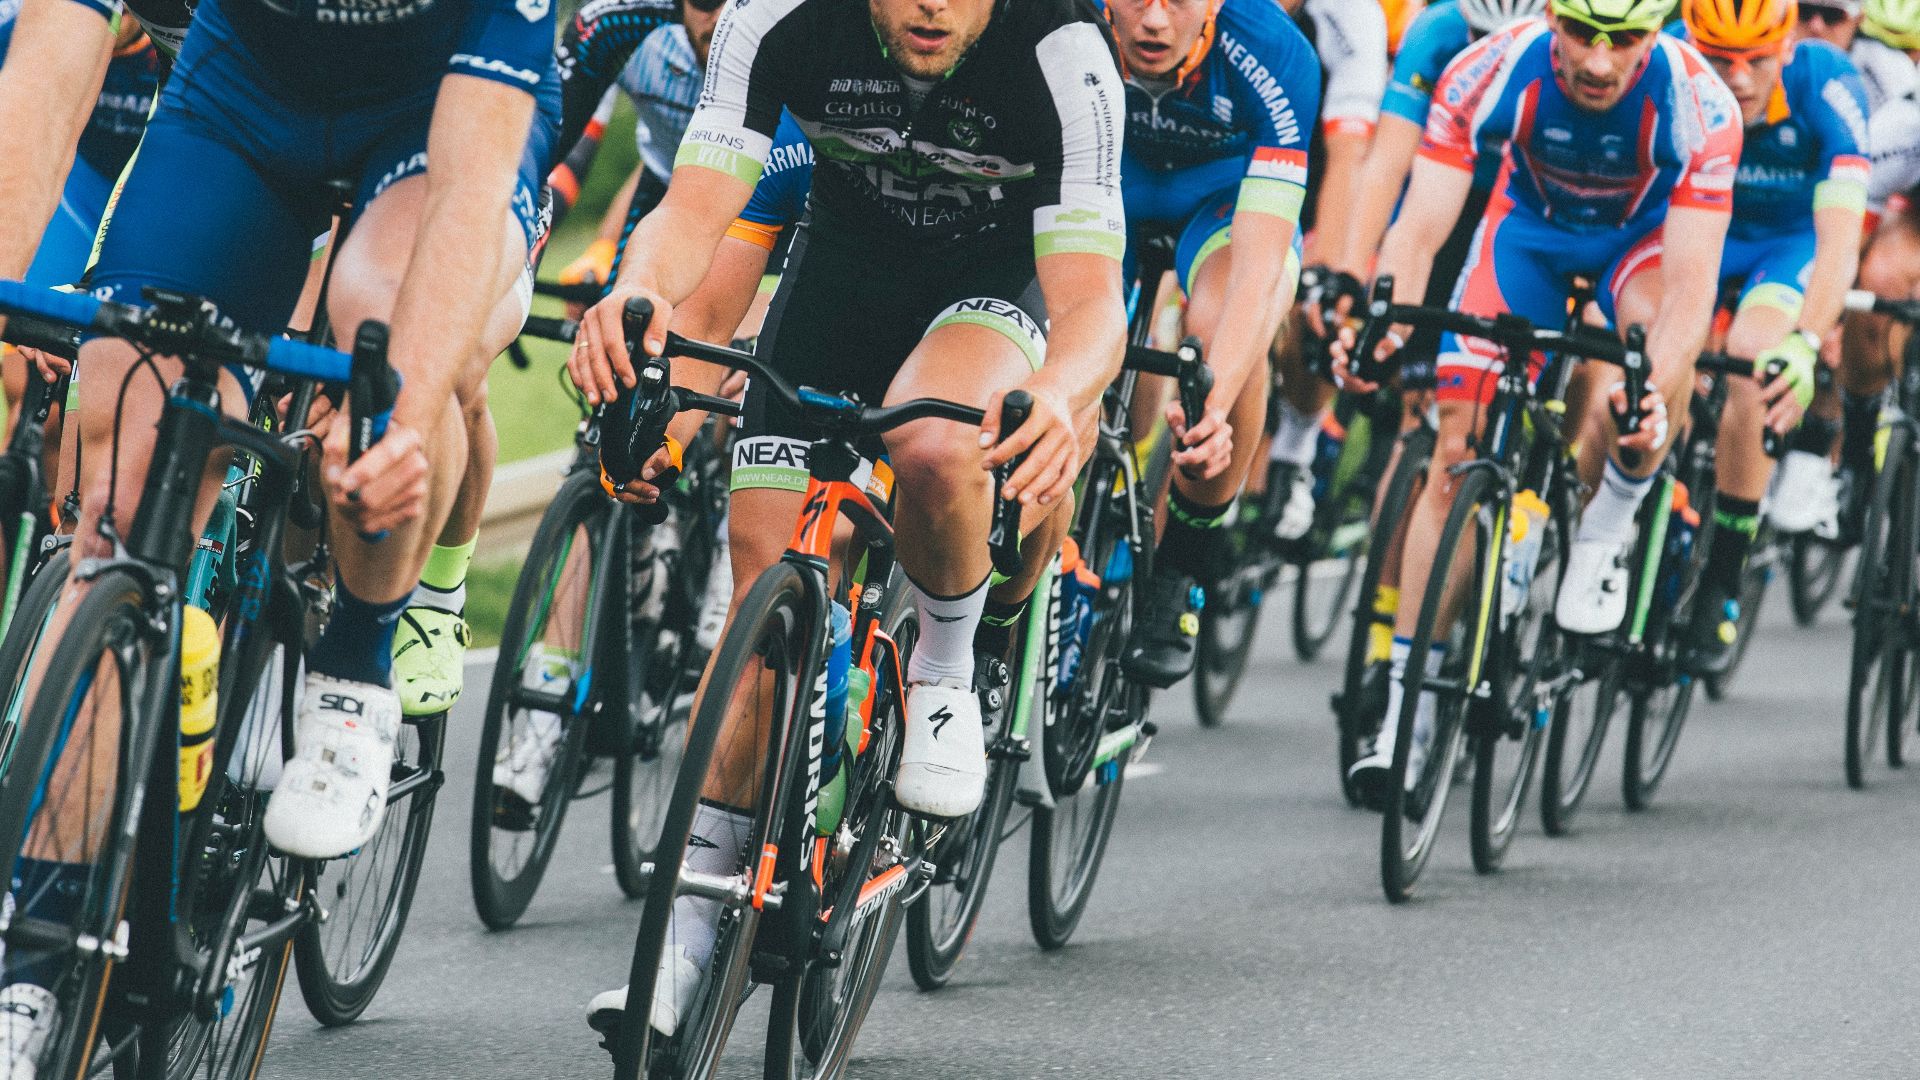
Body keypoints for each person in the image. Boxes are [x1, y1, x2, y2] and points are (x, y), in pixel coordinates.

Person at [565, 0, 1127, 1038]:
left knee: (935, 445)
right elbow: (695, 215)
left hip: (994, 291)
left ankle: (947, 667)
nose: (930, 7)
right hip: (842, 279)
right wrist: (638, 294)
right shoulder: (776, 18)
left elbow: (1094, 300)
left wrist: (1061, 394)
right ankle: (685, 948)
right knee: (760, 612)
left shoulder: (1063, 55)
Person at [1337, 0, 1741, 807]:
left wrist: (1654, 393)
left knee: (1633, 397)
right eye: (1582, 33)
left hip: (1642, 250)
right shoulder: (1487, 68)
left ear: (1657, 32)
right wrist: (1386, 316)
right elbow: (1420, 226)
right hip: (1525, 236)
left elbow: (1691, 295)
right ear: (1552, 15)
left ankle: (1601, 532)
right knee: (1455, 450)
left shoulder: (1704, 106)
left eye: (1624, 39)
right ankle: (1403, 726)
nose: (1598, 62)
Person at [1315, 0, 1547, 672]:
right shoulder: (1440, 30)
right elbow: (1386, 168)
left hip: (1535, 214)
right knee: (1427, 418)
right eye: (1480, 42)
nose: (1492, 58)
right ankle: (1388, 627)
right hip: (1445, 198)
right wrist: (1360, 286)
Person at [1103, 0, 1322, 687]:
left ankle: (1181, 567)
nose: (1155, 22)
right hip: (1109, 181)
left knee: (1221, 339)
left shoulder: (1273, 52)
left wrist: (1216, 401)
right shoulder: (1067, 19)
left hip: (1223, 202)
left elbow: (1259, 274)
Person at [1677, 0, 1867, 671]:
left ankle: (1723, 578)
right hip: (1698, 231)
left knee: (1752, 364)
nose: (1737, 77)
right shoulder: (1666, 63)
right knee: (1647, 353)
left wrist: (1808, 340)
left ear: (1786, 45)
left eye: (1756, 57)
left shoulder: (1828, 85)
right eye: (1718, 58)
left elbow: (1841, 239)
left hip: (1781, 247)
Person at [1263, 0, 1386, 543]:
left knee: (1312, 306)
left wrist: (1324, 272)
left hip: (1316, 176)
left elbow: (1348, 155)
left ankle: (1296, 444)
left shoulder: (1351, 16)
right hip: (1231, 160)